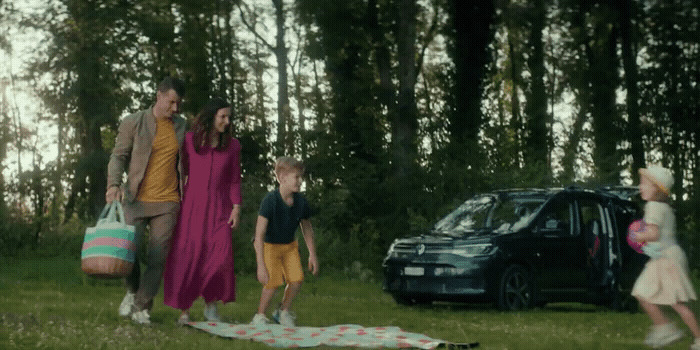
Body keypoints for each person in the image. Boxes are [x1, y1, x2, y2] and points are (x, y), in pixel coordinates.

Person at [106, 76, 186, 325]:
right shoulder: (134, 122)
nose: (175, 109)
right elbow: (118, 156)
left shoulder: (182, 126)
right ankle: (132, 291)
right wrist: (113, 185)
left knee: (157, 256)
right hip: (136, 199)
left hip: (168, 201)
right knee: (128, 252)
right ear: (159, 95)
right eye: (171, 102)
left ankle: (142, 306)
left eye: (178, 104)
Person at [163, 98, 242, 325]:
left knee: (221, 256)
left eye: (229, 117)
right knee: (189, 257)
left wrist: (236, 207)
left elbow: (234, 180)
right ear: (210, 117)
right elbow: (181, 170)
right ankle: (185, 311)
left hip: (220, 208)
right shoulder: (190, 140)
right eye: (222, 117)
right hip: (192, 207)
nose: (227, 121)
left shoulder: (233, 146)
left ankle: (211, 306)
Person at [630, 165, 700, 349]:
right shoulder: (665, 208)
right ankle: (666, 329)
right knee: (647, 294)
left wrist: (639, 236)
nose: (640, 187)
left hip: (666, 260)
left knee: (668, 300)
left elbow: (654, 234)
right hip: (666, 257)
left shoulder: (653, 206)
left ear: (657, 189)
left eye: (645, 183)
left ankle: (670, 330)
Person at [251, 157, 319, 326]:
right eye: (296, 177)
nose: (300, 181)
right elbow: (259, 235)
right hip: (269, 246)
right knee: (272, 282)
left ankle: (283, 311)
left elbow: (307, 228)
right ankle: (259, 316)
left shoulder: (301, 202)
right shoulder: (270, 201)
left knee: (297, 280)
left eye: (301, 177)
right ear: (282, 178)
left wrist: (312, 254)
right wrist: (261, 265)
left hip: (289, 247)